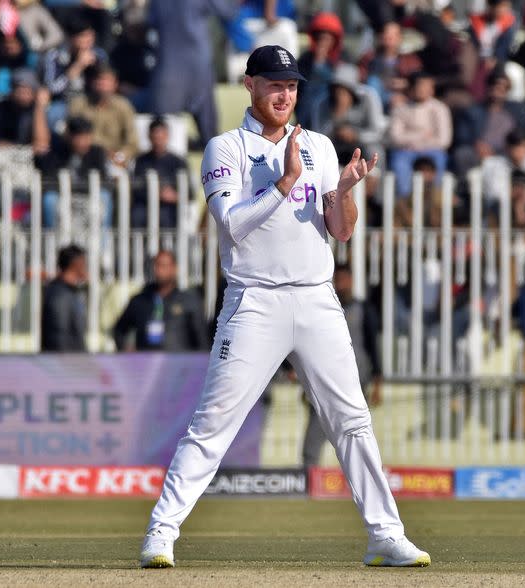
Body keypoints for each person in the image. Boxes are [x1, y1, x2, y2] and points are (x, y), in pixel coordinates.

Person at [140, 45, 430, 569]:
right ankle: (161, 533)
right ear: (249, 85)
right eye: (274, 84)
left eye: (291, 86)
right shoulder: (224, 149)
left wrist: (343, 190)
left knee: (352, 418)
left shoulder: (318, 145)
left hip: (317, 296)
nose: (284, 94)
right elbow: (230, 224)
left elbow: (340, 231)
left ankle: (385, 535)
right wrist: (286, 181)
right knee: (214, 424)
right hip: (255, 299)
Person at [301, 263, 382, 466]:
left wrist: (378, 382)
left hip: (355, 381)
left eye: (345, 279)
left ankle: (361, 472)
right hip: (324, 380)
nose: (342, 284)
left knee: (354, 430)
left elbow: (373, 346)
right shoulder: (323, 308)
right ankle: (308, 473)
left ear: (352, 281)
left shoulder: (363, 310)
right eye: (338, 280)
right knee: (316, 427)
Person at [147, 0, 237, 148]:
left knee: (165, 139)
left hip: (169, 68)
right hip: (196, 68)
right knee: (210, 141)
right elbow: (229, 11)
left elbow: (150, 22)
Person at [112, 250, 209, 351]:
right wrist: (126, 350)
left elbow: (202, 338)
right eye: (157, 265)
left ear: (174, 268)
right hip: (146, 363)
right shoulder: (140, 301)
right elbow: (120, 330)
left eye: (165, 265)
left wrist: (200, 362)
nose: (160, 270)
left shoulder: (189, 300)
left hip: (179, 363)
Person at [33, 115, 112, 228]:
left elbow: (102, 180)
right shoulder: (56, 153)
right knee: (49, 200)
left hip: (88, 194)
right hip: (61, 195)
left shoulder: (97, 153)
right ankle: (53, 241)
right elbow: (50, 180)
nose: (82, 142)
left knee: (104, 196)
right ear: (69, 136)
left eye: (86, 137)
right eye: (78, 138)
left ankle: (103, 243)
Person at [388, 71, 452, 197]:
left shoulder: (440, 109)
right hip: (406, 151)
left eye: (427, 86)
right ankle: (405, 202)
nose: (424, 89)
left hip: (432, 150)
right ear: (412, 88)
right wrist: (422, 135)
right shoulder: (400, 108)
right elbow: (395, 138)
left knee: (440, 160)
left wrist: (416, 141)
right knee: (399, 163)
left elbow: (444, 140)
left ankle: (435, 200)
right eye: (420, 85)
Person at [67, 63, 138, 171]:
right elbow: (68, 135)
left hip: (113, 161)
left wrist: (119, 157)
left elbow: (132, 143)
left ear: (115, 84)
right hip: (83, 158)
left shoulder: (123, 106)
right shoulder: (78, 105)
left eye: (106, 81)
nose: (102, 84)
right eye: (99, 80)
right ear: (92, 82)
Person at [131, 117, 190, 228]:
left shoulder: (178, 162)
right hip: (145, 205)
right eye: (155, 138)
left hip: (169, 208)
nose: (158, 141)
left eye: (161, 137)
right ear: (149, 137)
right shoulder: (141, 161)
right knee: (137, 215)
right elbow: (136, 188)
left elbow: (189, 192)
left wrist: (174, 196)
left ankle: (166, 246)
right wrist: (157, 193)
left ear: (167, 136)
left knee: (167, 218)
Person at [40, 243, 87, 352]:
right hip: (65, 363)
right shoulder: (59, 294)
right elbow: (59, 335)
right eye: (84, 263)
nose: (86, 267)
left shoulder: (71, 292)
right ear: (77, 264)